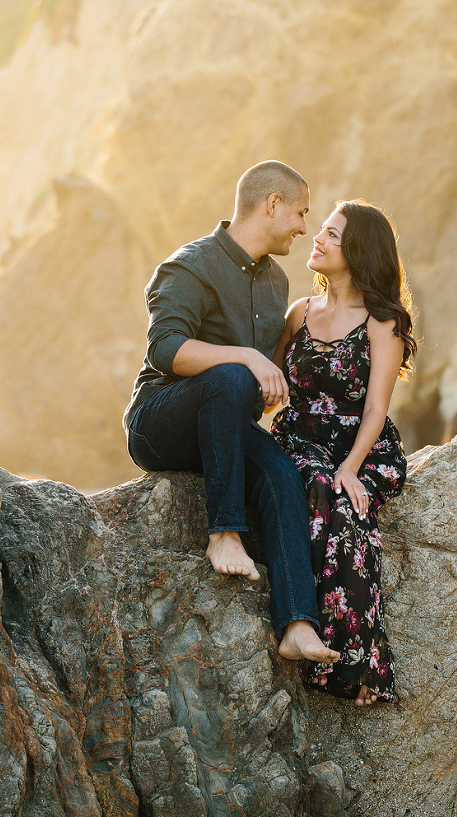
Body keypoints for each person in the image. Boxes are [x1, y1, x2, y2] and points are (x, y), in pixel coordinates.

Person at [123, 160, 340, 666]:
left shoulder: (276, 284)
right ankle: (224, 535)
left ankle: (298, 626)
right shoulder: (190, 265)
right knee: (229, 375)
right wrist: (244, 358)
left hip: (224, 426)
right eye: (301, 213)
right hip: (159, 421)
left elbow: (257, 378)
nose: (304, 227)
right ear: (272, 205)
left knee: (282, 473)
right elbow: (166, 350)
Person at [270, 199, 415, 705]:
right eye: (323, 230)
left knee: (348, 517)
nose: (318, 238)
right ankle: (312, 640)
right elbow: (267, 381)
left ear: (356, 251)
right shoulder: (298, 314)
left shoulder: (382, 322)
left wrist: (351, 468)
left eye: (331, 234)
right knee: (315, 493)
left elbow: (376, 407)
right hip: (300, 440)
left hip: (362, 448)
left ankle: (357, 667)